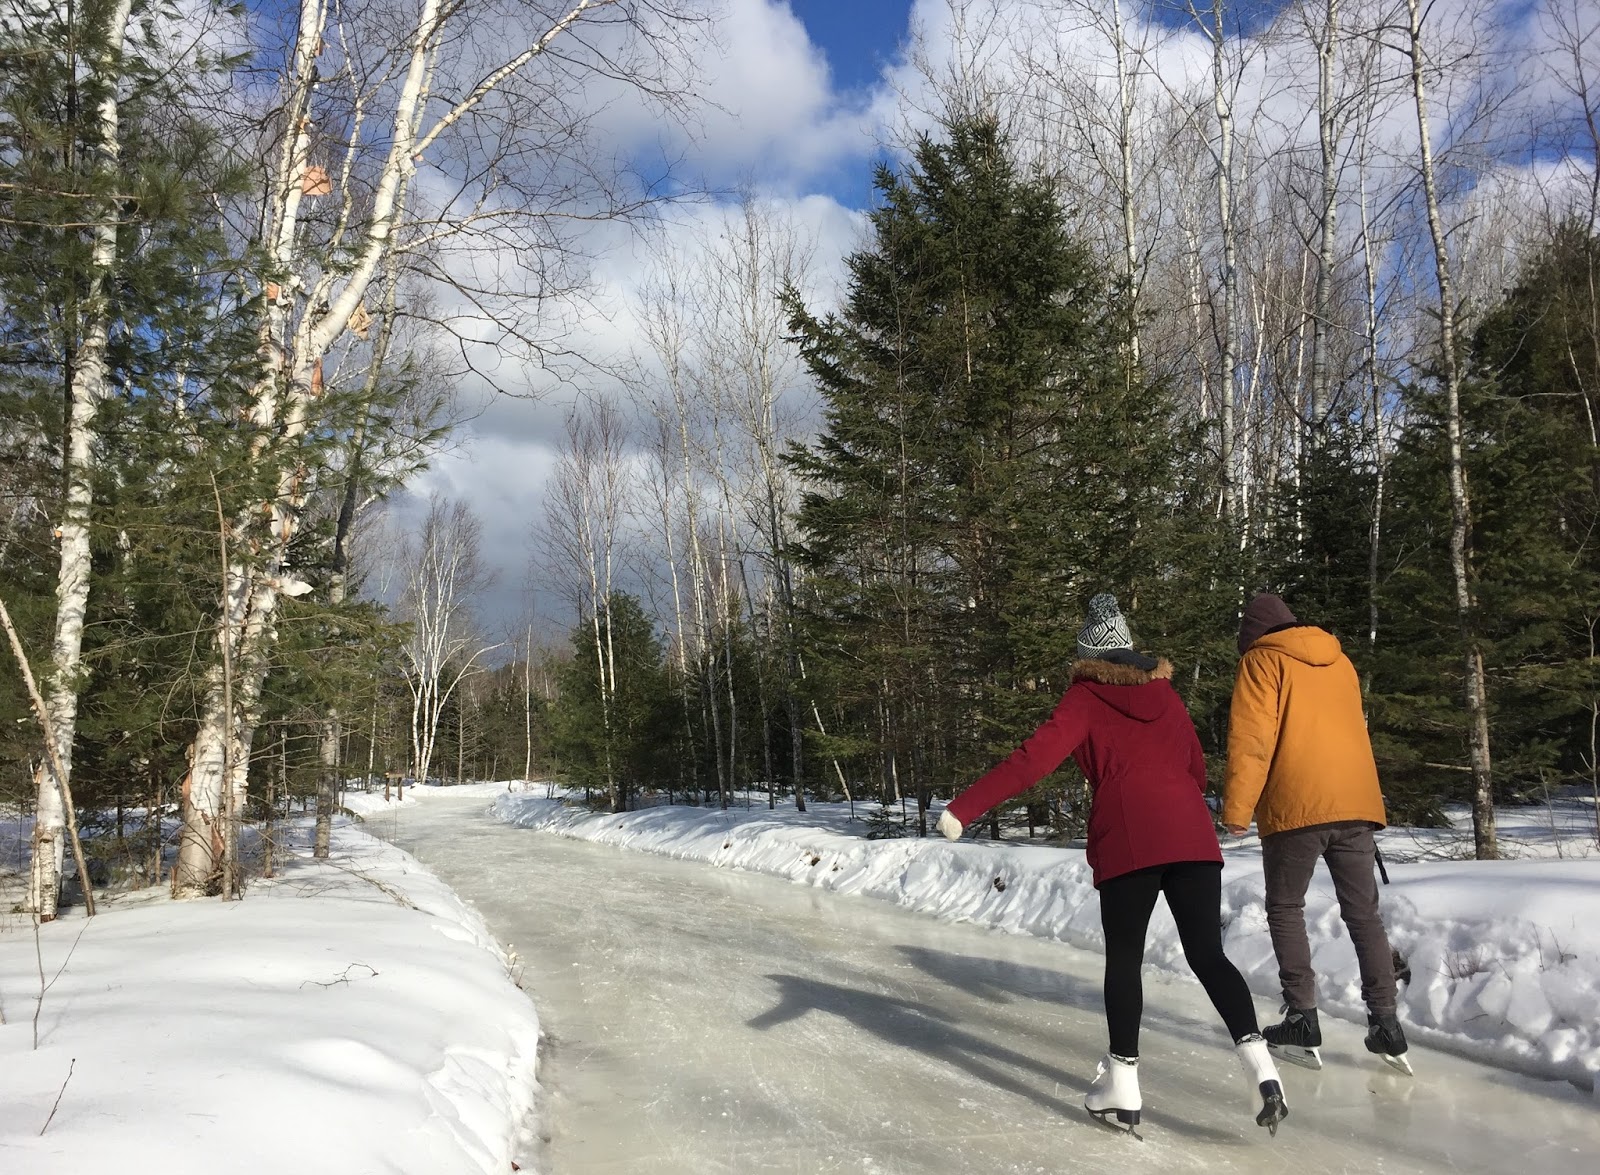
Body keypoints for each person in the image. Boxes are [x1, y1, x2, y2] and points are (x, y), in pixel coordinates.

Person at [938, 593, 1287, 1136]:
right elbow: (1195, 766)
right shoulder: (1165, 693)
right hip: (1192, 834)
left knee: (1125, 959)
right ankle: (1260, 1065)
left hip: (1130, 835)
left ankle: (1123, 1083)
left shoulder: (1083, 698)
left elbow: (1033, 760)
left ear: (1088, 655)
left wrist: (964, 808)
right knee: (1208, 954)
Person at [1221, 593, 1411, 1074]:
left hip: (1296, 804)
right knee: (1363, 914)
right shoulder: (1339, 660)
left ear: (1254, 636)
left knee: (1286, 907)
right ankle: (1386, 1022)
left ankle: (1303, 1018)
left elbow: (1252, 740)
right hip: (1354, 802)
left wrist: (1237, 810)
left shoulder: (1262, 662)